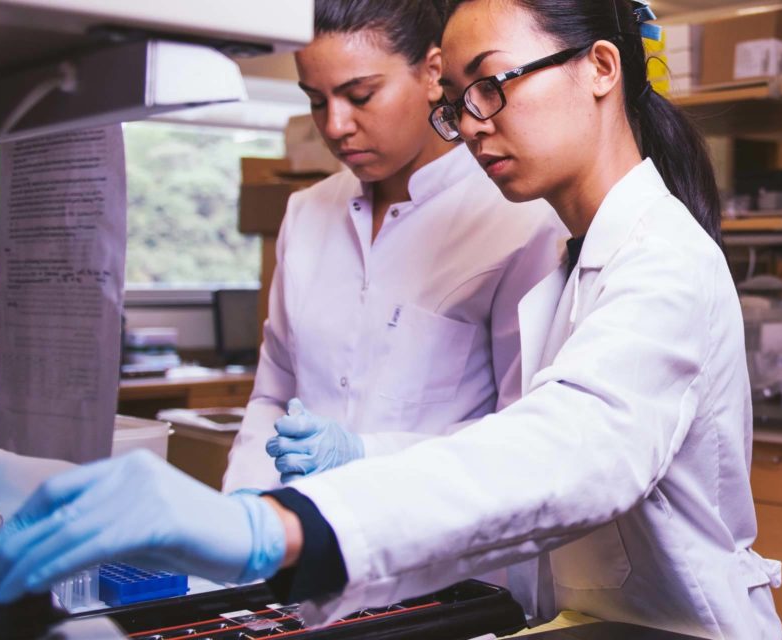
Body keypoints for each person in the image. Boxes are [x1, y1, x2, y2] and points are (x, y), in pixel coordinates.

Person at [0, 0, 782, 637]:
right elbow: (502, 458)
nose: (471, 122)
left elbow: (572, 449)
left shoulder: (665, 258)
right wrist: (324, 485)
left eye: (492, 85)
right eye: (459, 100)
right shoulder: (582, 253)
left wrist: (277, 527)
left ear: (601, 68)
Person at [221, 0, 562, 492]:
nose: (335, 126)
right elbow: (273, 395)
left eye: (359, 95)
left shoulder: (518, 219)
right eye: (317, 101)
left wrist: (366, 458)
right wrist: (244, 507)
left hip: (441, 553)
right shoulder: (306, 213)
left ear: (432, 73)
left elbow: (522, 435)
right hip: (301, 544)